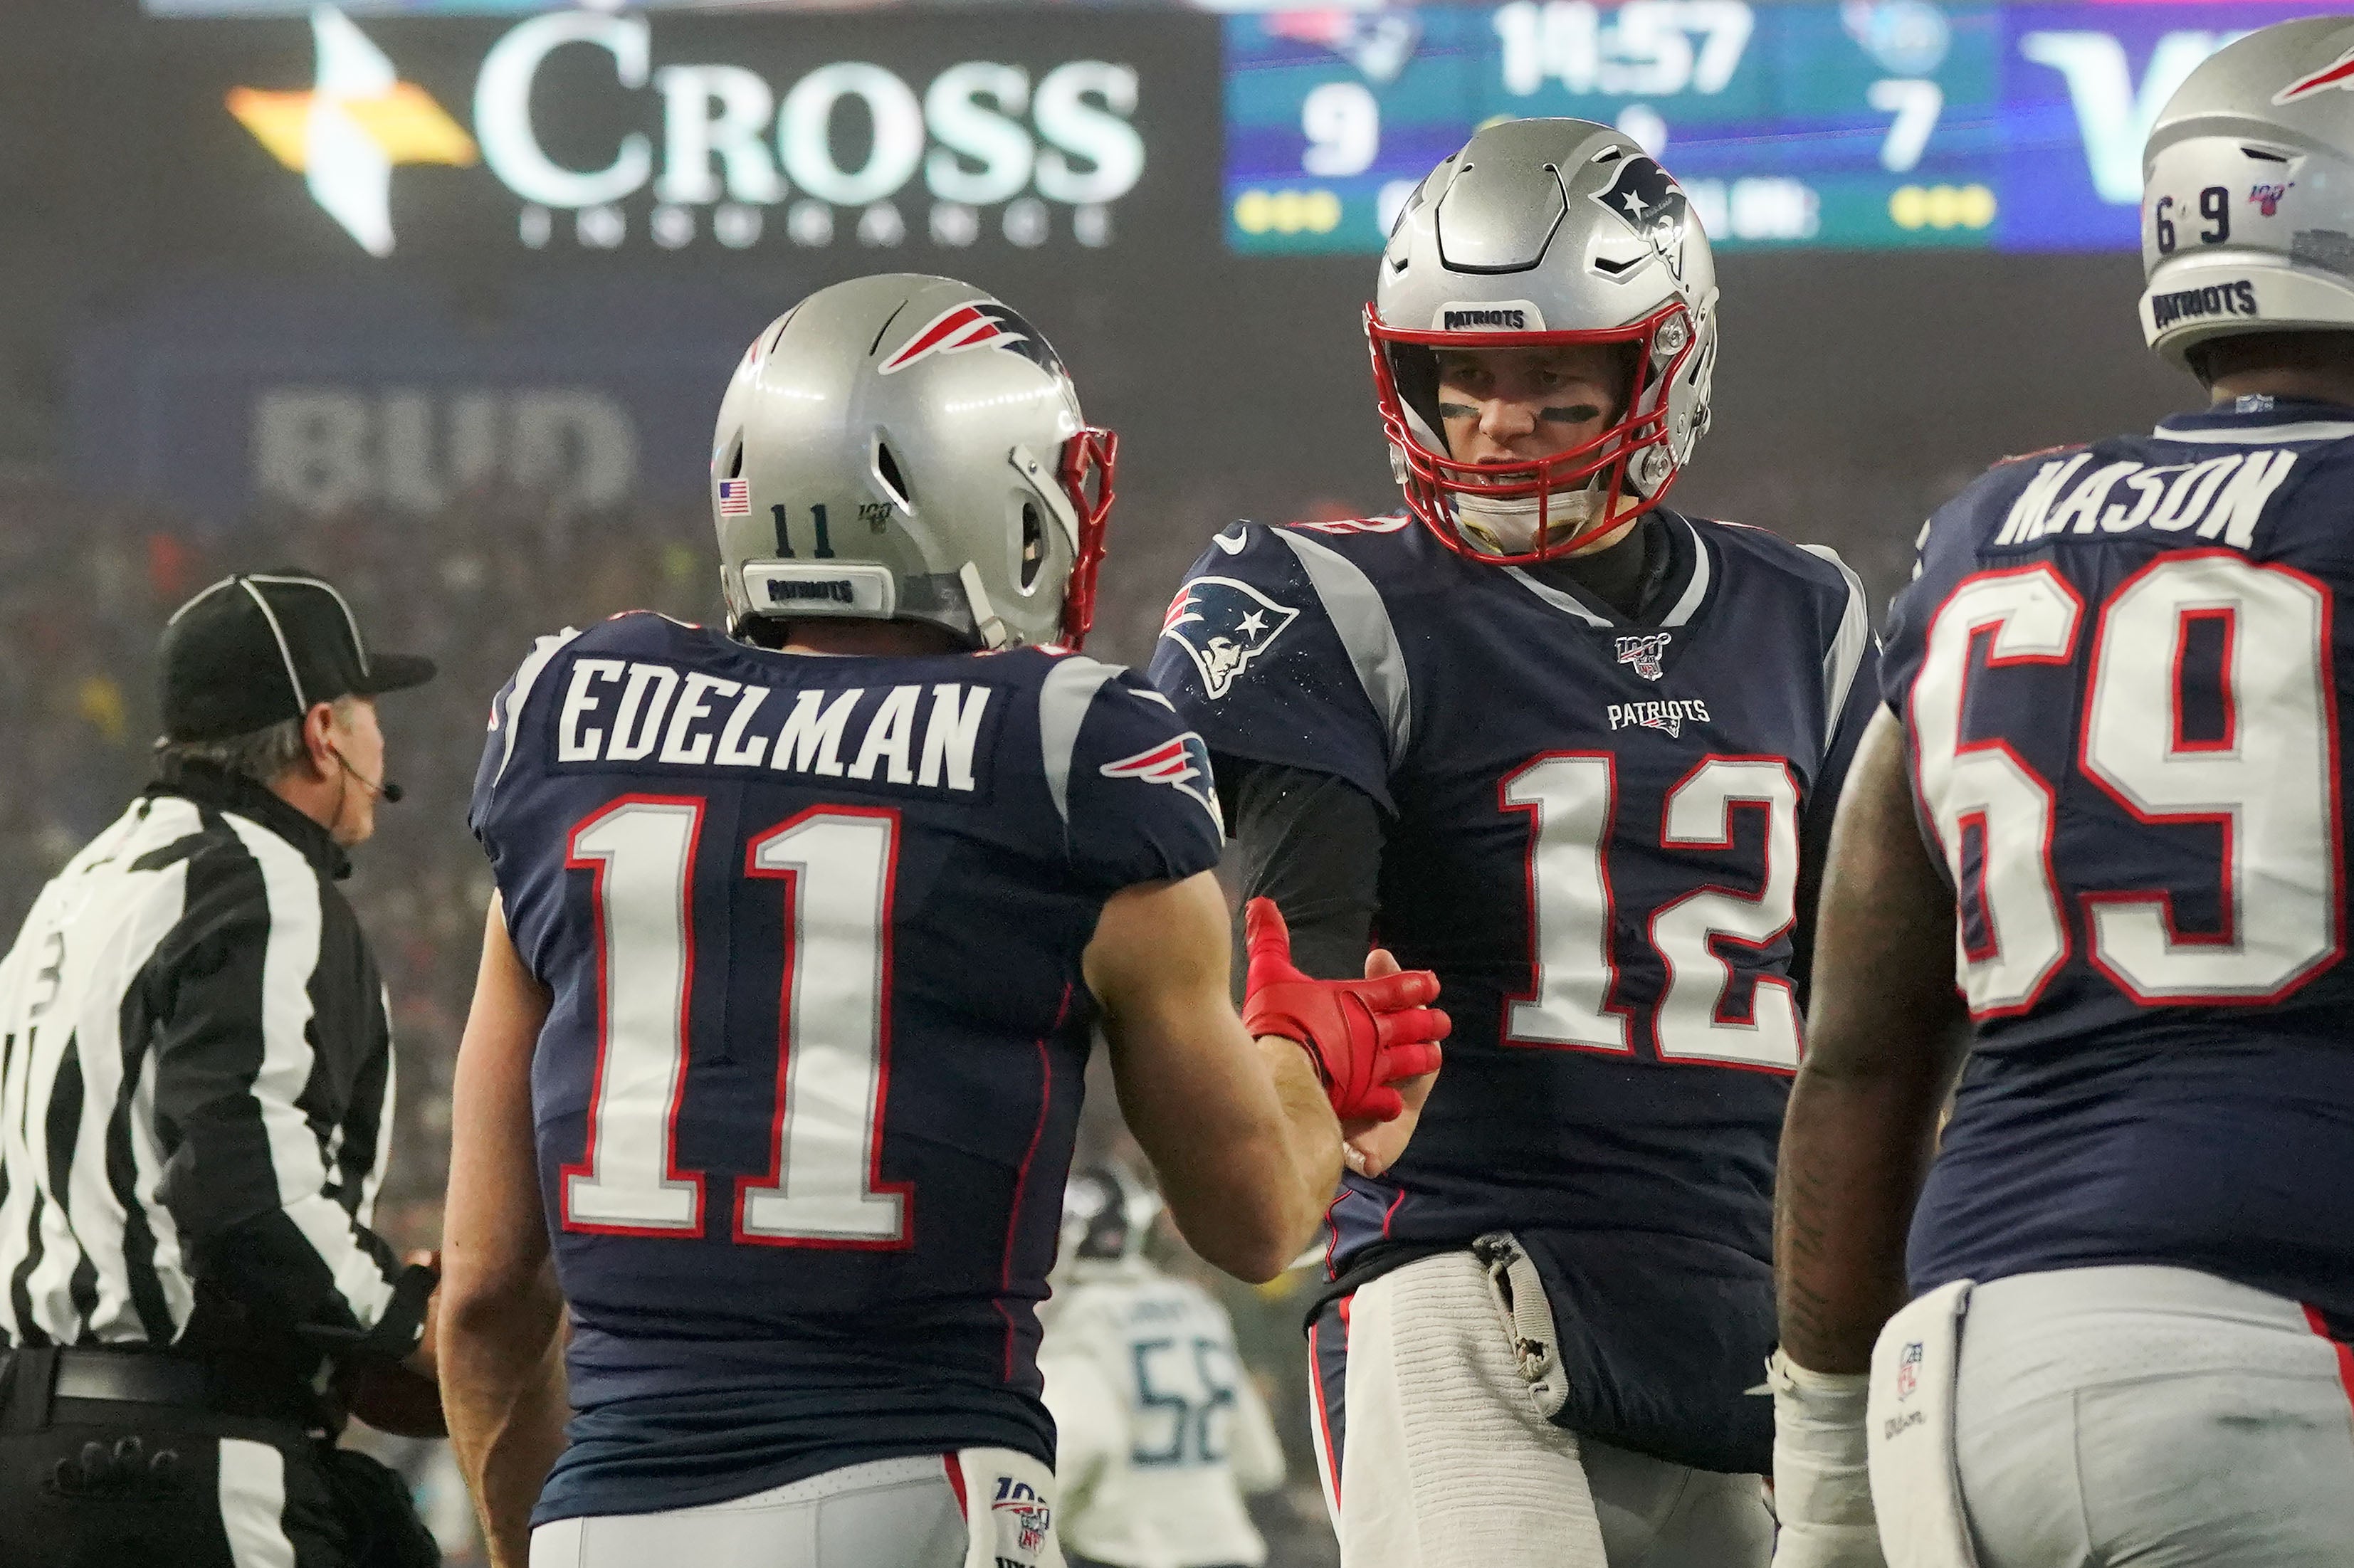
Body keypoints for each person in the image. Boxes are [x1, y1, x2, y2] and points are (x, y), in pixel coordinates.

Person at [436, 273, 1450, 1568]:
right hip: (912, 1477)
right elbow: (1252, 1215)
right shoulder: (1069, 749)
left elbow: (480, 1296)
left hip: (606, 1508)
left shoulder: (567, 722)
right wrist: (1311, 1067)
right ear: (999, 495)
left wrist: (536, 1540)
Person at [1148, 119, 1876, 1568]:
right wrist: (1304, 1078)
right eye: (1461, 376)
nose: (1493, 420)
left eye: (1549, 382)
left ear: (1661, 364)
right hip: (1474, 1292)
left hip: (1759, 1328)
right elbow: (1310, 974)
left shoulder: (1811, 616)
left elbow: (1876, 1017)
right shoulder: (1327, 596)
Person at [1770, 19, 2354, 1568]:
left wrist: (1826, 1472)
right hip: (2273, 1355)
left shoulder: (1984, 530)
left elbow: (1859, 1053)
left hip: (1954, 1375)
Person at [0, 570, 444, 1567]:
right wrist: (411, 1326)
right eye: (371, 705)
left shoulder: (78, 887)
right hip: (181, 1470)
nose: (385, 736)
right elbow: (243, 1191)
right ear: (324, 730)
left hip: (27, 1459)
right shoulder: (263, 884)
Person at [1037, 1164, 1286, 1568]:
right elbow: (1260, 1464)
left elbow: (1087, 1438)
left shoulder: (1075, 1317)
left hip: (1129, 1548)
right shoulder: (1196, 1306)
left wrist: (1036, 1529)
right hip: (1226, 1544)